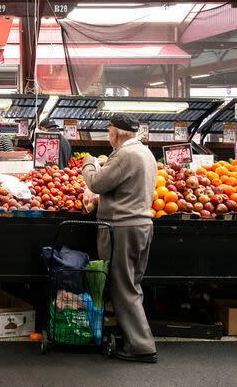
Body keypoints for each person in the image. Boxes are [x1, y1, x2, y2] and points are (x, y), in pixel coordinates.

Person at [81, 113, 158, 363]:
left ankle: (141, 346)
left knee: (122, 286)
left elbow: (96, 183)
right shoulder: (146, 154)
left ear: (115, 132)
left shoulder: (125, 155)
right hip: (142, 225)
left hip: (122, 227)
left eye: (108, 130)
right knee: (132, 284)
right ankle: (135, 338)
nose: (108, 135)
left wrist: (89, 163)